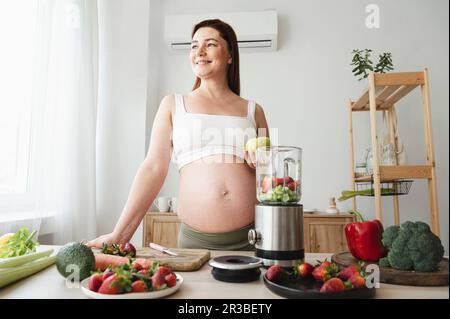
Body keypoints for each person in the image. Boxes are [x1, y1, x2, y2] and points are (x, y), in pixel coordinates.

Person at [87, 19, 269, 251]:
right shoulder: (173, 104)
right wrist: (120, 234)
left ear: (230, 55)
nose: (199, 51)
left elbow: (271, 181)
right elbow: (153, 168)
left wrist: (263, 161)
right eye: (194, 46)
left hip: (252, 238)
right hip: (196, 242)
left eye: (210, 44)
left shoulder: (254, 110)